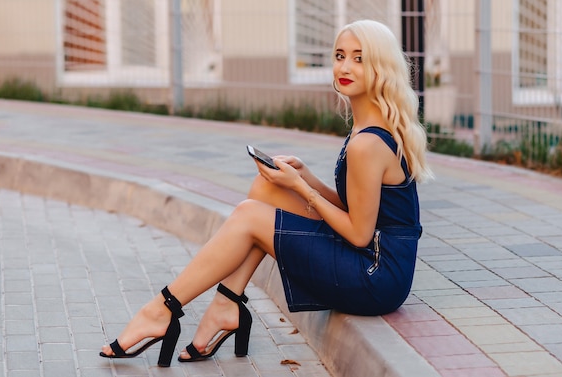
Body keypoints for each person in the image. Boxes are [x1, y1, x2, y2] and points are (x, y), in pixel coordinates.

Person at [100, 19, 433, 367]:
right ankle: (226, 303)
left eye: (359, 58)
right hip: (372, 261)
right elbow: (359, 211)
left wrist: (300, 188)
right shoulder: (368, 127)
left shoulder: (367, 143)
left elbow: (360, 233)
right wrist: (305, 177)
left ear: (381, 67)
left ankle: (163, 309)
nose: (344, 67)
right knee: (265, 188)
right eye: (339, 55)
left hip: (376, 277)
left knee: (250, 215)